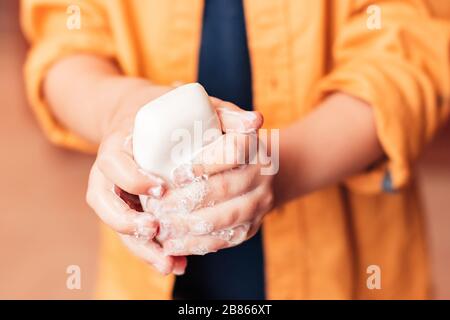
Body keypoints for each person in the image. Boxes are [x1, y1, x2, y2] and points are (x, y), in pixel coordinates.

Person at [21, 0, 450, 299]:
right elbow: (65, 41)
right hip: (150, 270)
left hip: (342, 269)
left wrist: (284, 167)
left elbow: (408, 52)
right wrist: (118, 108)